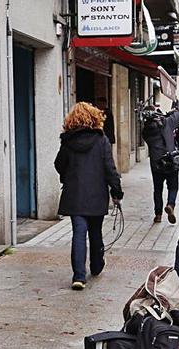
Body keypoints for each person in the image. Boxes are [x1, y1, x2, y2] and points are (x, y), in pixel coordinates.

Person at [54, 102, 123, 291]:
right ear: (94, 118)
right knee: (95, 231)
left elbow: (59, 164)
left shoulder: (67, 142)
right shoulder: (102, 141)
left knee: (78, 232)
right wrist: (116, 191)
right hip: (96, 194)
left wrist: (67, 176)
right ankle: (96, 265)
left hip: (74, 194)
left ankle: (78, 276)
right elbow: (110, 168)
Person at [141, 106, 179, 224]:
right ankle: (170, 204)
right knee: (173, 187)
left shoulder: (146, 131)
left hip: (156, 163)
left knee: (157, 190)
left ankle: (158, 215)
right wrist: (170, 113)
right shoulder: (167, 123)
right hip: (170, 160)